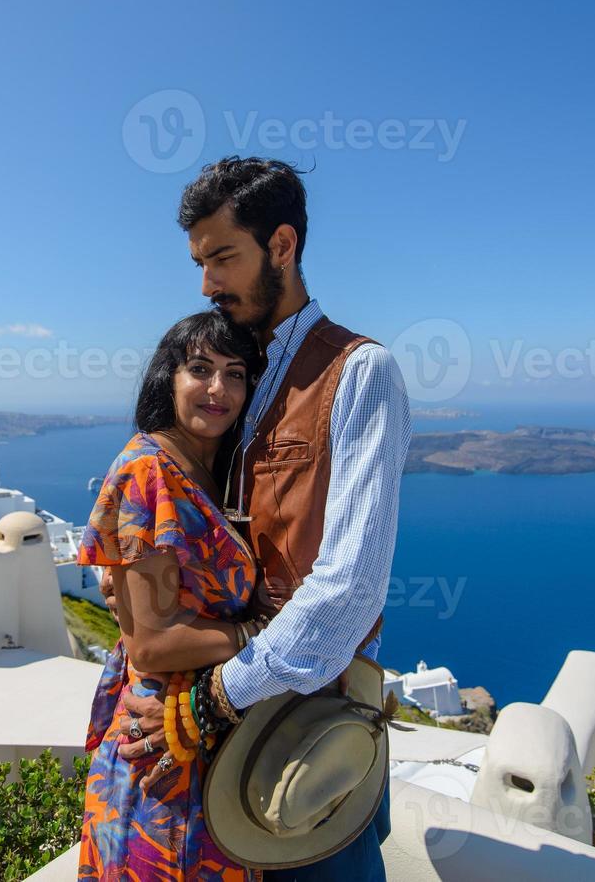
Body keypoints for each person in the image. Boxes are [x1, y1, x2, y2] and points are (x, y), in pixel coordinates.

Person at [103, 156, 412, 880]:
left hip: (303, 723)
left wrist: (217, 697)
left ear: (281, 246)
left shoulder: (360, 372)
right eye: (200, 262)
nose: (207, 282)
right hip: (225, 720)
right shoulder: (233, 378)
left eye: (222, 258)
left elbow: (351, 587)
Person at [76, 311, 266, 880]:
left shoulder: (217, 471)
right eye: (200, 369)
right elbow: (153, 646)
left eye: (235, 374)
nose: (218, 389)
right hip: (160, 756)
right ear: (169, 378)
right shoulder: (148, 471)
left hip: (205, 733)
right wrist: (261, 638)